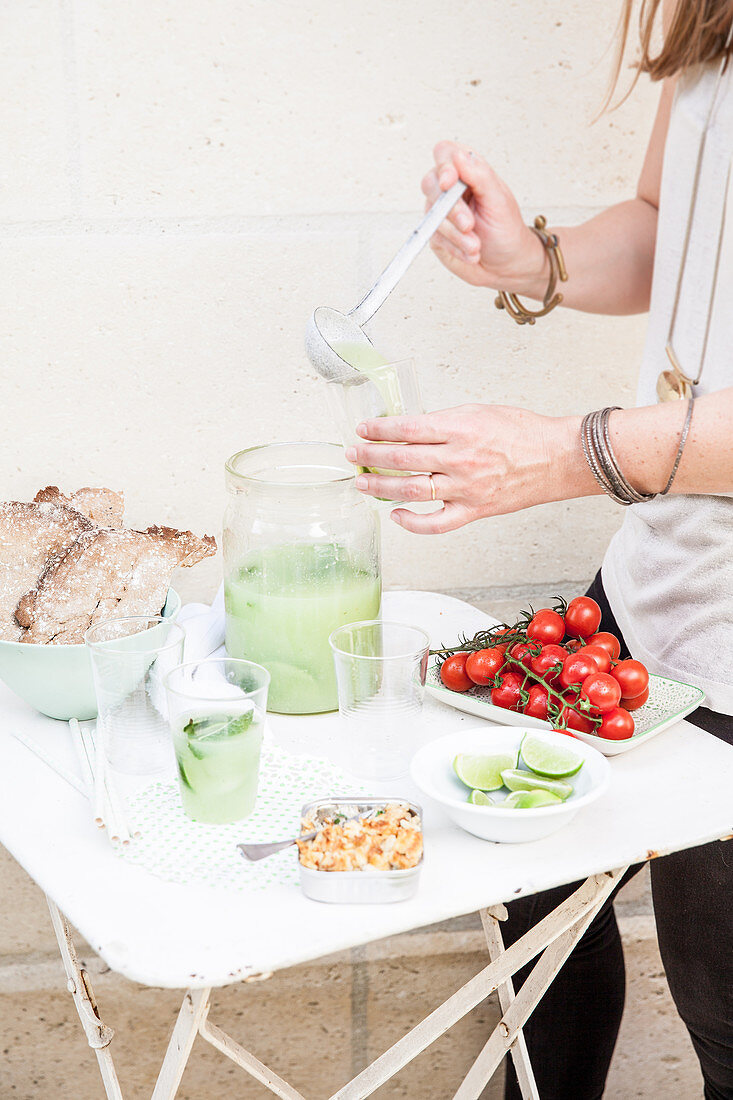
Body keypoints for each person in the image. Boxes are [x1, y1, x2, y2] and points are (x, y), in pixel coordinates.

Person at [343, 1, 733, 1097]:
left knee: (720, 987)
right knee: (539, 926)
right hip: (659, 573)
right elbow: (668, 221)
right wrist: (531, 257)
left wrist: (572, 453)